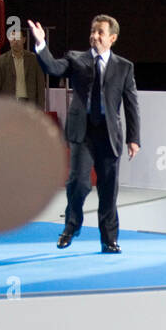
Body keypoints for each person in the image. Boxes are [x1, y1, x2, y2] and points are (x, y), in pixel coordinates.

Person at [31, 13, 141, 253]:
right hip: (83, 132)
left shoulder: (125, 67)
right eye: (93, 31)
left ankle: (109, 239)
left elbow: (132, 104)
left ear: (112, 38)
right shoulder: (76, 59)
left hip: (110, 134)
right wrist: (41, 45)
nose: (94, 36)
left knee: (108, 189)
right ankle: (71, 226)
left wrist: (134, 138)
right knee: (78, 184)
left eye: (100, 32)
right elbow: (53, 67)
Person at [0, 28, 47, 106]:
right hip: (8, 104)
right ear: (9, 40)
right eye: (13, 39)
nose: (15, 41)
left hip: (29, 104)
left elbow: (40, 85)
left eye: (18, 38)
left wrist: (40, 108)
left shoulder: (34, 60)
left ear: (24, 40)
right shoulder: (0, 61)